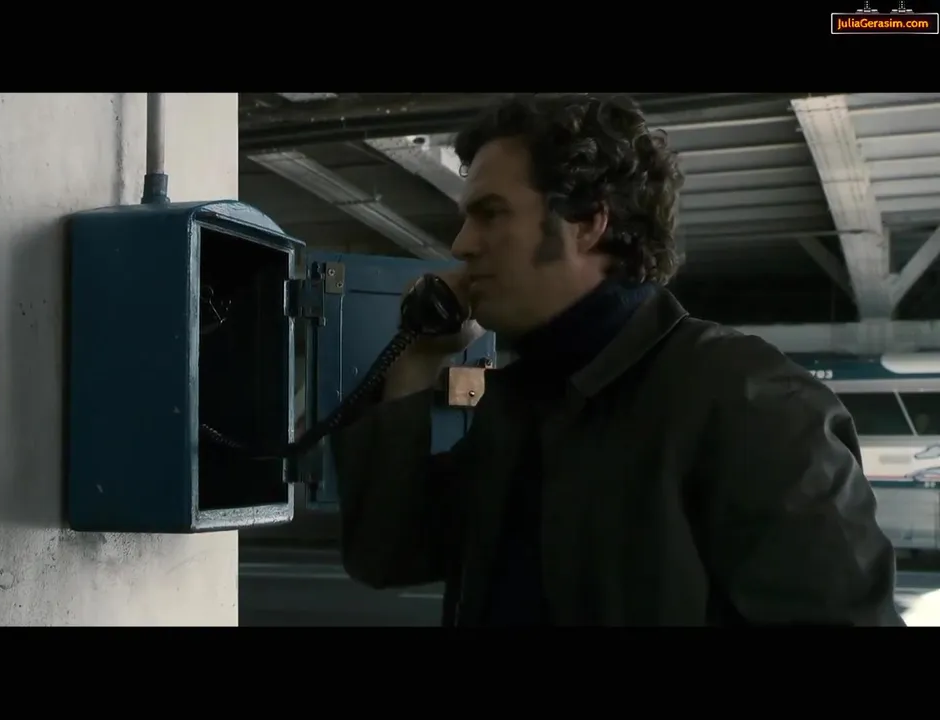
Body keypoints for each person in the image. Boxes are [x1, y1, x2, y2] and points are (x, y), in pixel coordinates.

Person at [332, 94, 904, 626]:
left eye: (490, 213)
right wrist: (417, 360)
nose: (462, 244)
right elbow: (387, 552)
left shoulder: (752, 402)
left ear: (587, 223)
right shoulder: (521, 403)